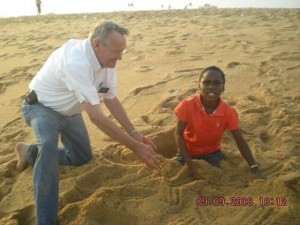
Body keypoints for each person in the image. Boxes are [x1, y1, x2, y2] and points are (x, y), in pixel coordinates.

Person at [15, 21, 159, 225]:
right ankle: (45, 221)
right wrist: (135, 147)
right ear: (97, 44)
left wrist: (134, 133)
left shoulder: (107, 63)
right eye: (117, 51)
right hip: (41, 107)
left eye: (122, 51)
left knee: (82, 156)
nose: (120, 57)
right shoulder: (76, 61)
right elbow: (96, 116)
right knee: (47, 145)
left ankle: (27, 152)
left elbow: (111, 99)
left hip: (72, 111)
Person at [174, 66, 264, 180]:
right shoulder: (187, 105)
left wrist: (254, 167)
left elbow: (239, 139)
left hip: (212, 153)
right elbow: (178, 134)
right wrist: (188, 162)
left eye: (217, 83)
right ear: (199, 85)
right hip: (188, 151)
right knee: (182, 173)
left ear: (223, 88)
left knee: (218, 175)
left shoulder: (228, 112)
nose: (211, 87)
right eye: (206, 82)